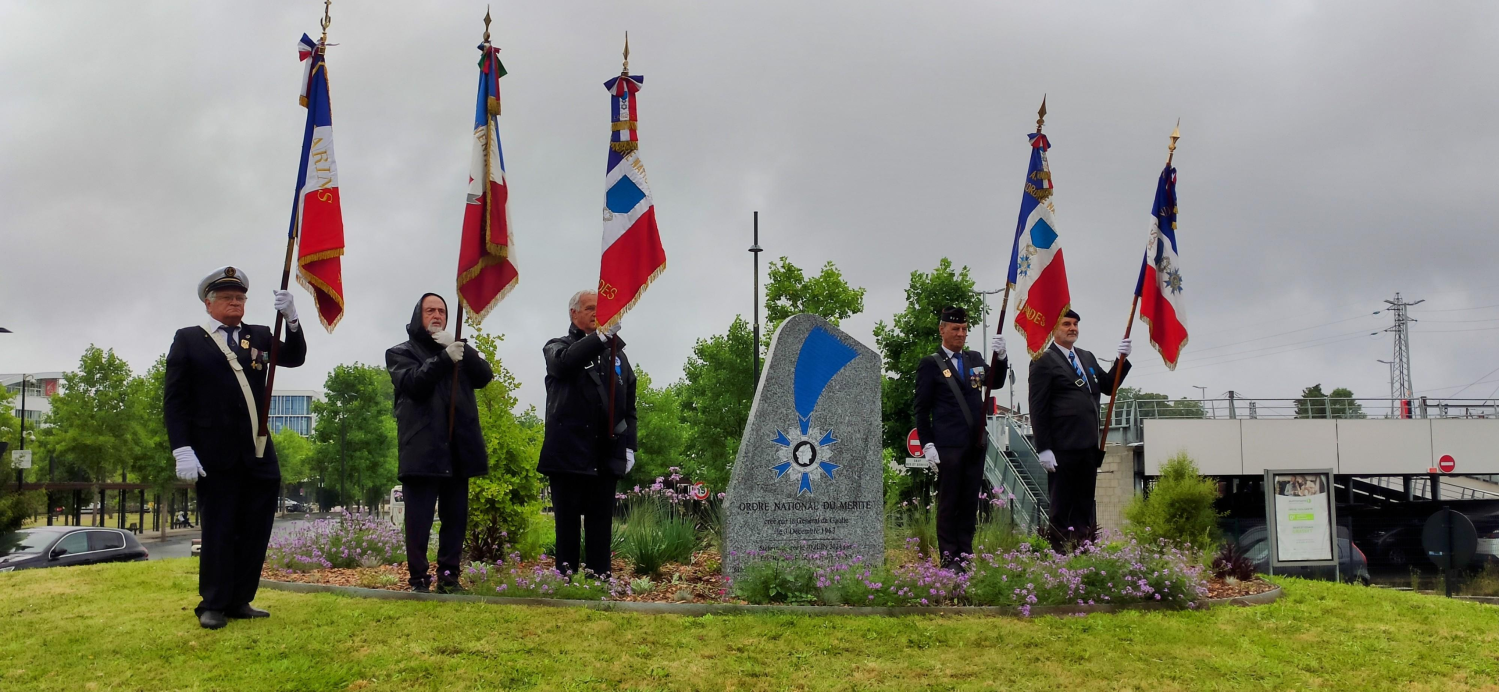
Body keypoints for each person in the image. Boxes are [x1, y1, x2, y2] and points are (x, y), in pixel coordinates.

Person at [164, 266, 305, 629]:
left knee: (256, 526)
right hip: (213, 451)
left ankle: (241, 598)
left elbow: (295, 356)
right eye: (227, 298)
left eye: (240, 297)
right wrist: (182, 447)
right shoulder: (189, 340)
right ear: (209, 304)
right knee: (220, 527)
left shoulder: (257, 334)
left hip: (257, 449)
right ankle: (212, 602)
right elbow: (175, 401)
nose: (235, 303)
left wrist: (291, 319)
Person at [385, 293, 494, 593]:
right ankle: (419, 579)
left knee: (455, 518)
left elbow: (485, 376)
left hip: (458, 448)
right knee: (419, 521)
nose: (437, 315)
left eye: (442, 311)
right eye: (430, 310)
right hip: (422, 449)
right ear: (418, 314)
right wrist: (443, 359)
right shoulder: (399, 352)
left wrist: (460, 351)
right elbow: (414, 384)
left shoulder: (457, 348)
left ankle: (449, 577)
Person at [538, 290, 637, 580]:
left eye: (601, 308)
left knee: (600, 525)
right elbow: (565, 363)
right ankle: (564, 583)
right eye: (590, 308)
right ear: (574, 313)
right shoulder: (557, 346)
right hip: (567, 455)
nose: (596, 313)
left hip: (605, 454)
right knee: (567, 525)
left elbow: (629, 407)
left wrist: (630, 446)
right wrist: (601, 338)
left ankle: (599, 581)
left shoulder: (618, 356)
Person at [912, 306, 1008, 569]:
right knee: (949, 502)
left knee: (968, 503)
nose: (961, 334)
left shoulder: (974, 358)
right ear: (942, 329)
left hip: (975, 444)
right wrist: (927, 443)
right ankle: (949, 557)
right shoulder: (931, 365)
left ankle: (965, 555)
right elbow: (921, 408)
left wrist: (1001, 356)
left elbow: (995, 382)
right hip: (948, 445)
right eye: (955, 329)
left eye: (964, 329)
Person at [1027, 309, 1130, 550]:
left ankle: (1084, 552)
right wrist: (1044, 447)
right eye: (1066, 324)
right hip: (1062, 447)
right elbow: (1038, 407)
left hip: (1087, 446)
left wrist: (1121, 360)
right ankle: (1060, 556)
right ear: (1054, 328)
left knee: (1085, 504)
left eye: (1075, 324)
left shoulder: (1087, 357)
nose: (1073, 328)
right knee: (1062, 505)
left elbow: (1107, 386)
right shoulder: (1043, 359)